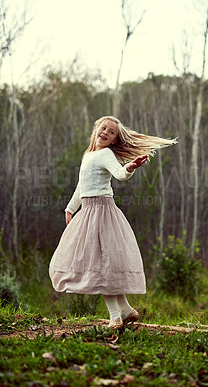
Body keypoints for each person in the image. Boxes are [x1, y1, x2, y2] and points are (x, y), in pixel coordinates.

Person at [49, 115, 177, 330]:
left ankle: (115, 317)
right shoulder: (89, 155)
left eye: (111, 132)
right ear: (96, 128)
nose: (105, 133)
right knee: (101, 264)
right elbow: (82, 187)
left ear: (114, 141)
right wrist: (70, 208)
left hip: (102, 212)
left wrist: (130, 167)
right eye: (104, 128)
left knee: (103, 265)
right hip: (88, 212)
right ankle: (125, 310)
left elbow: (119, 175)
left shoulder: (106, 154)